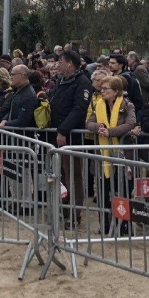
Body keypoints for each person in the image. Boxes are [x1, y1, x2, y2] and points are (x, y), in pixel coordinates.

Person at [85, 75, 136, 233]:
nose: (102, 90)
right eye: (101, 88)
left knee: (124, 190)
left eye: (105, 88)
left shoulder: (127, 105)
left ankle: (124, 225)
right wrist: (98, 127)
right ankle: (105, 225)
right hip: (104, 155)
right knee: (103, 192)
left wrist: (110, 132)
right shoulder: (98, 104)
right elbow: (88, 122)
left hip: (122, 154)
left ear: (116, 91)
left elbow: (130, 123)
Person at [48, 51, 92, 228]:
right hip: (56, 136)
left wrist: (63, 130)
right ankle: (63, 210)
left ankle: (74, 214)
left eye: (61, 61)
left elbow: (79, 109)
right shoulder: (60, 81)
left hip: (71, 137)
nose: (58, 64)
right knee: (61, 176)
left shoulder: (82, 83)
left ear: (70, 64)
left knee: (73, 176)